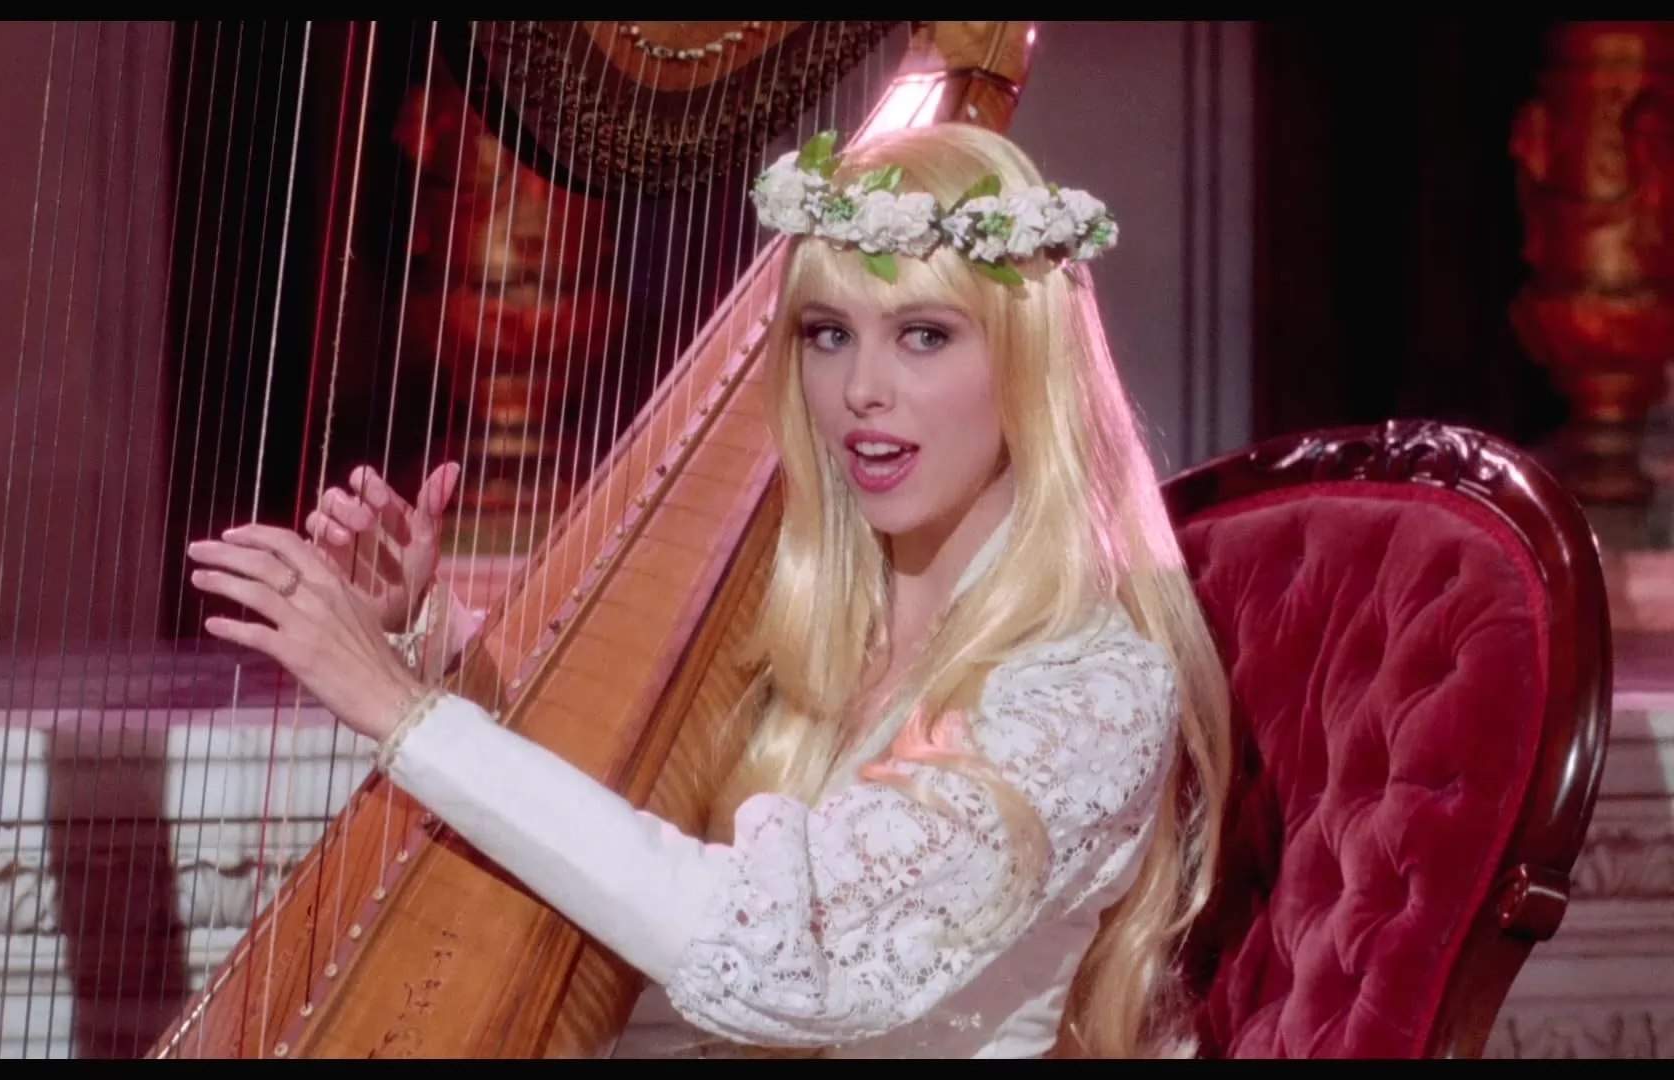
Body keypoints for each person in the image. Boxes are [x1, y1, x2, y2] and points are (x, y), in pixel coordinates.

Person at [184, 121, 1232, 1059]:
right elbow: (632, 824)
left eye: (924, 335)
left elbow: (775, 954)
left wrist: (404, 715)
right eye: (828, 334)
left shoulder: (1092, 689)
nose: (861, 389)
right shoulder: (818, 614)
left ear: (1027, 361)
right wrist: (435, 640)